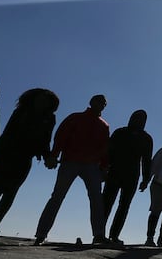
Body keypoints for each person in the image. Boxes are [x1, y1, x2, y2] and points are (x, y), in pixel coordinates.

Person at [0, 88, 59, 240]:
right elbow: (8, 132)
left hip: (26, 157)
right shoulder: (21, 111)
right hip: (6, 154)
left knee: (11, 192)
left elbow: (46, 139)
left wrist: (47, 156)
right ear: (33, 99)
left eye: (47, 101)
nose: (43, 103)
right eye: (40, 99)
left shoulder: (50, 118)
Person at [34, 94, 109, 245]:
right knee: (57, 196)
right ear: (91, 102)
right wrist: (53, 155)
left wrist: (104, 167)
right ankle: (41, 234)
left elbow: (104, 148)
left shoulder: (104, 125)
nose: (100, 105)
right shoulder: (75, 118)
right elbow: (60, 136)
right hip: (70, 162)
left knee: (96, 199)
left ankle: (99, 235)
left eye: (103, 103)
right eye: (98, 101)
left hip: (92, 166)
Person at [102, 109, 153, 244]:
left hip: (131, 175)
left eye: (141, 119)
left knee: (123, 206)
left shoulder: (146, 138)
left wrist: (146, 179)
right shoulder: (120, 132)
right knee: (106, 203)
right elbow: (108, 152)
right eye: (136, 118)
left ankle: (114, 235)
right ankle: (99, 234)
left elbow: (147, 160)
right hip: (114, 172)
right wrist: (104, 168)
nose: (138, 121)